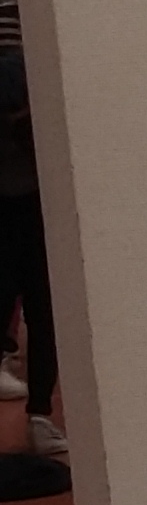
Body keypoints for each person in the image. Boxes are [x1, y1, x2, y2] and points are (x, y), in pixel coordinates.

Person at [0, 49, 57, 459]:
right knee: (43, 313)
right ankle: (39, 416)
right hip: (34, 207)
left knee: (39, 312)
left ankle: (40, 416)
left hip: (24, 207)